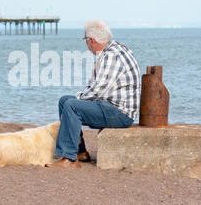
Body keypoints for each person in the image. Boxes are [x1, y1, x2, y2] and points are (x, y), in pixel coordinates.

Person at [46, 19, 141, 168]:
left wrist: (77, 100)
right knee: (64, 101)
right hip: (109, 107)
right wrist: (78, 99)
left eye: (85, 39)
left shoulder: (112, 55)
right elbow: (96, 89)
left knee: (71, 105)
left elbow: (98, 90)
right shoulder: (112, 51)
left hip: (120, 114)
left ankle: (69, 159)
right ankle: (79, 152)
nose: (86, 43)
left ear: (91, 40)